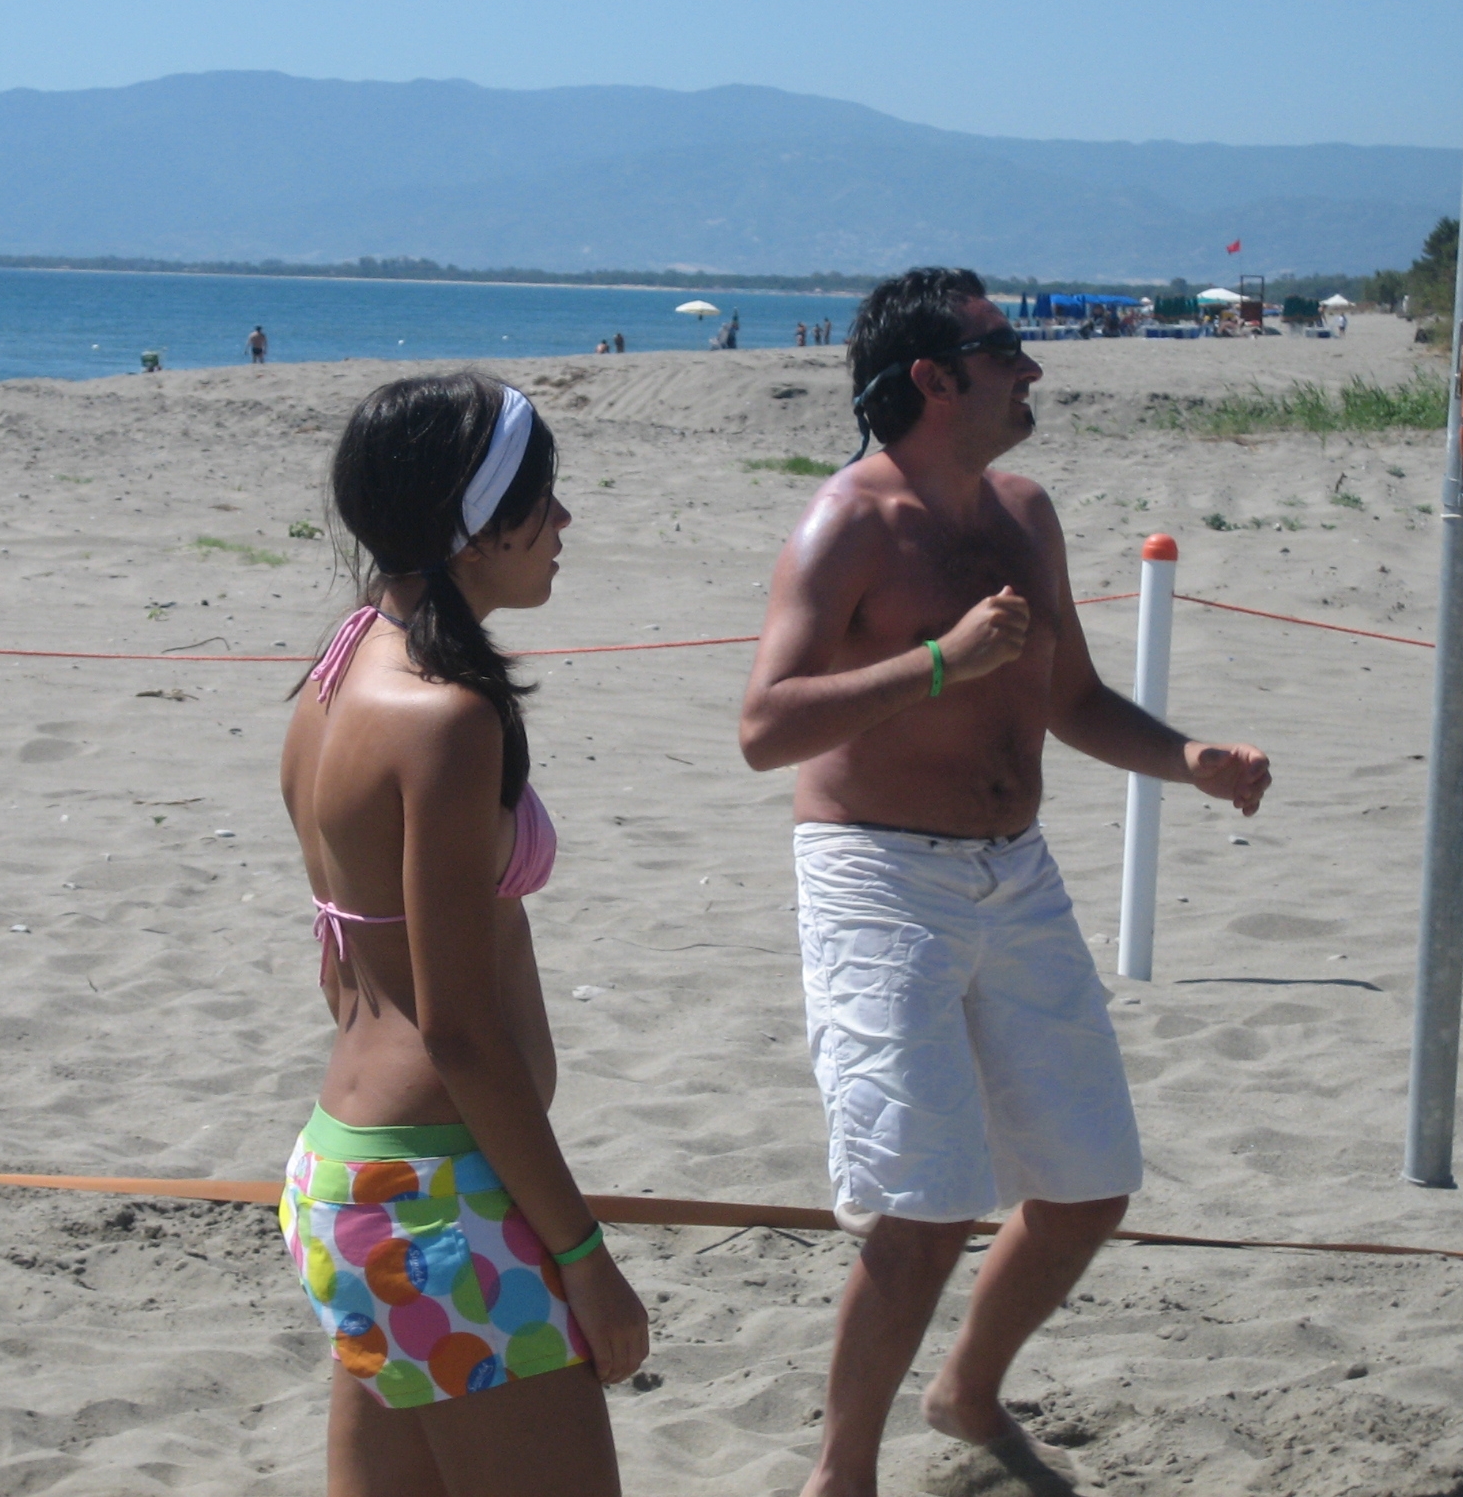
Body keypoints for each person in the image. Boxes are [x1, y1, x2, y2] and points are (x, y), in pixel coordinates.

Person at [738, 267, 1270, 1496]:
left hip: (1013, 874)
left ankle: (965, 1391)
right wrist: (939, 661)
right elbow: (765, 728)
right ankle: (840, 1476)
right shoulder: (847, 525)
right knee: (923, 1208)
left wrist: (1185, 759)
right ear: (932, 379)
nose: (1030, 368)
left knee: (1088, 1185)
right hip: (876, 878)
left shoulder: (1024, 512)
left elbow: (1072, 699)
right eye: (1002, 350)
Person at [278, 372, 649, 1495]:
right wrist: (583, 1257)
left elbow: (342, 960)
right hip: (437, 1200)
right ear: (475, 525)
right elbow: (459, 1031)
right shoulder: (444, 717)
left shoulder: (342, 665)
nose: (563, 521)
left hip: (353, 1177)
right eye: (541, 498)